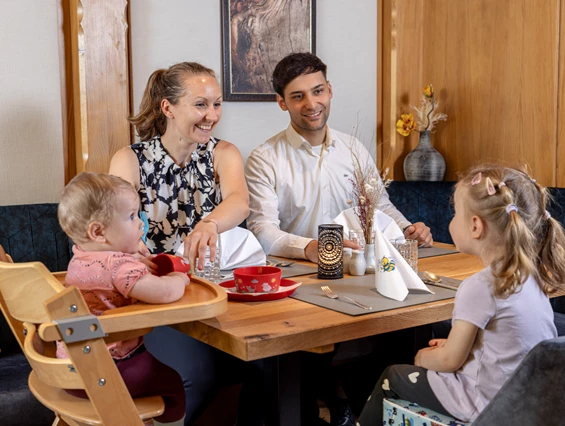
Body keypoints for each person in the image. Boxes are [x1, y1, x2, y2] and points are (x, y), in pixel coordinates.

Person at [357, 165, 565, 425]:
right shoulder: (532, 276)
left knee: (394, 376)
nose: (452, 220)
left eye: (456, 213)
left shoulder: (481, 286)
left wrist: (422, 358)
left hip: (484, 405)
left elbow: (449, 360)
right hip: (528, 404)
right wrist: (452, 346)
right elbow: (506, 343)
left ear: (475, 226)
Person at [109, 62, 251, 425]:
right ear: (168, 108)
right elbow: (113, 228)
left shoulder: (224, 153)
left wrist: (209, 224)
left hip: (217, 291)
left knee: (269, 357)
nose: (212, 115)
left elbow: (239, 200)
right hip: (156, 296)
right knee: (197, 373)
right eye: (201, 104)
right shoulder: (130, 160)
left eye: (217, 104)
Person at [245, 52, 432, 265]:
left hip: (360, 266)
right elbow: (262, 231)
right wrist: (309, 247)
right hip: (300, 272)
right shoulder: (264, 159)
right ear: (282, 102)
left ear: (330, 90)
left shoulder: (353, 148)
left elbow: (380, 207)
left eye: (318, 91)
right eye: (298, 96)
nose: (312, 104)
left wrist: (407, 229)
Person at [57, 172, 189, 426]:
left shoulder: (80, 256)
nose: (141, 223)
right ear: (98, 232)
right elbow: (164, 293)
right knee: (173, 381)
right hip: (109, 371)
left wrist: (135, 260)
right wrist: (178, 279)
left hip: (69, 370)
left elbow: (108, 279)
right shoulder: (119, 266)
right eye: (131, 216)